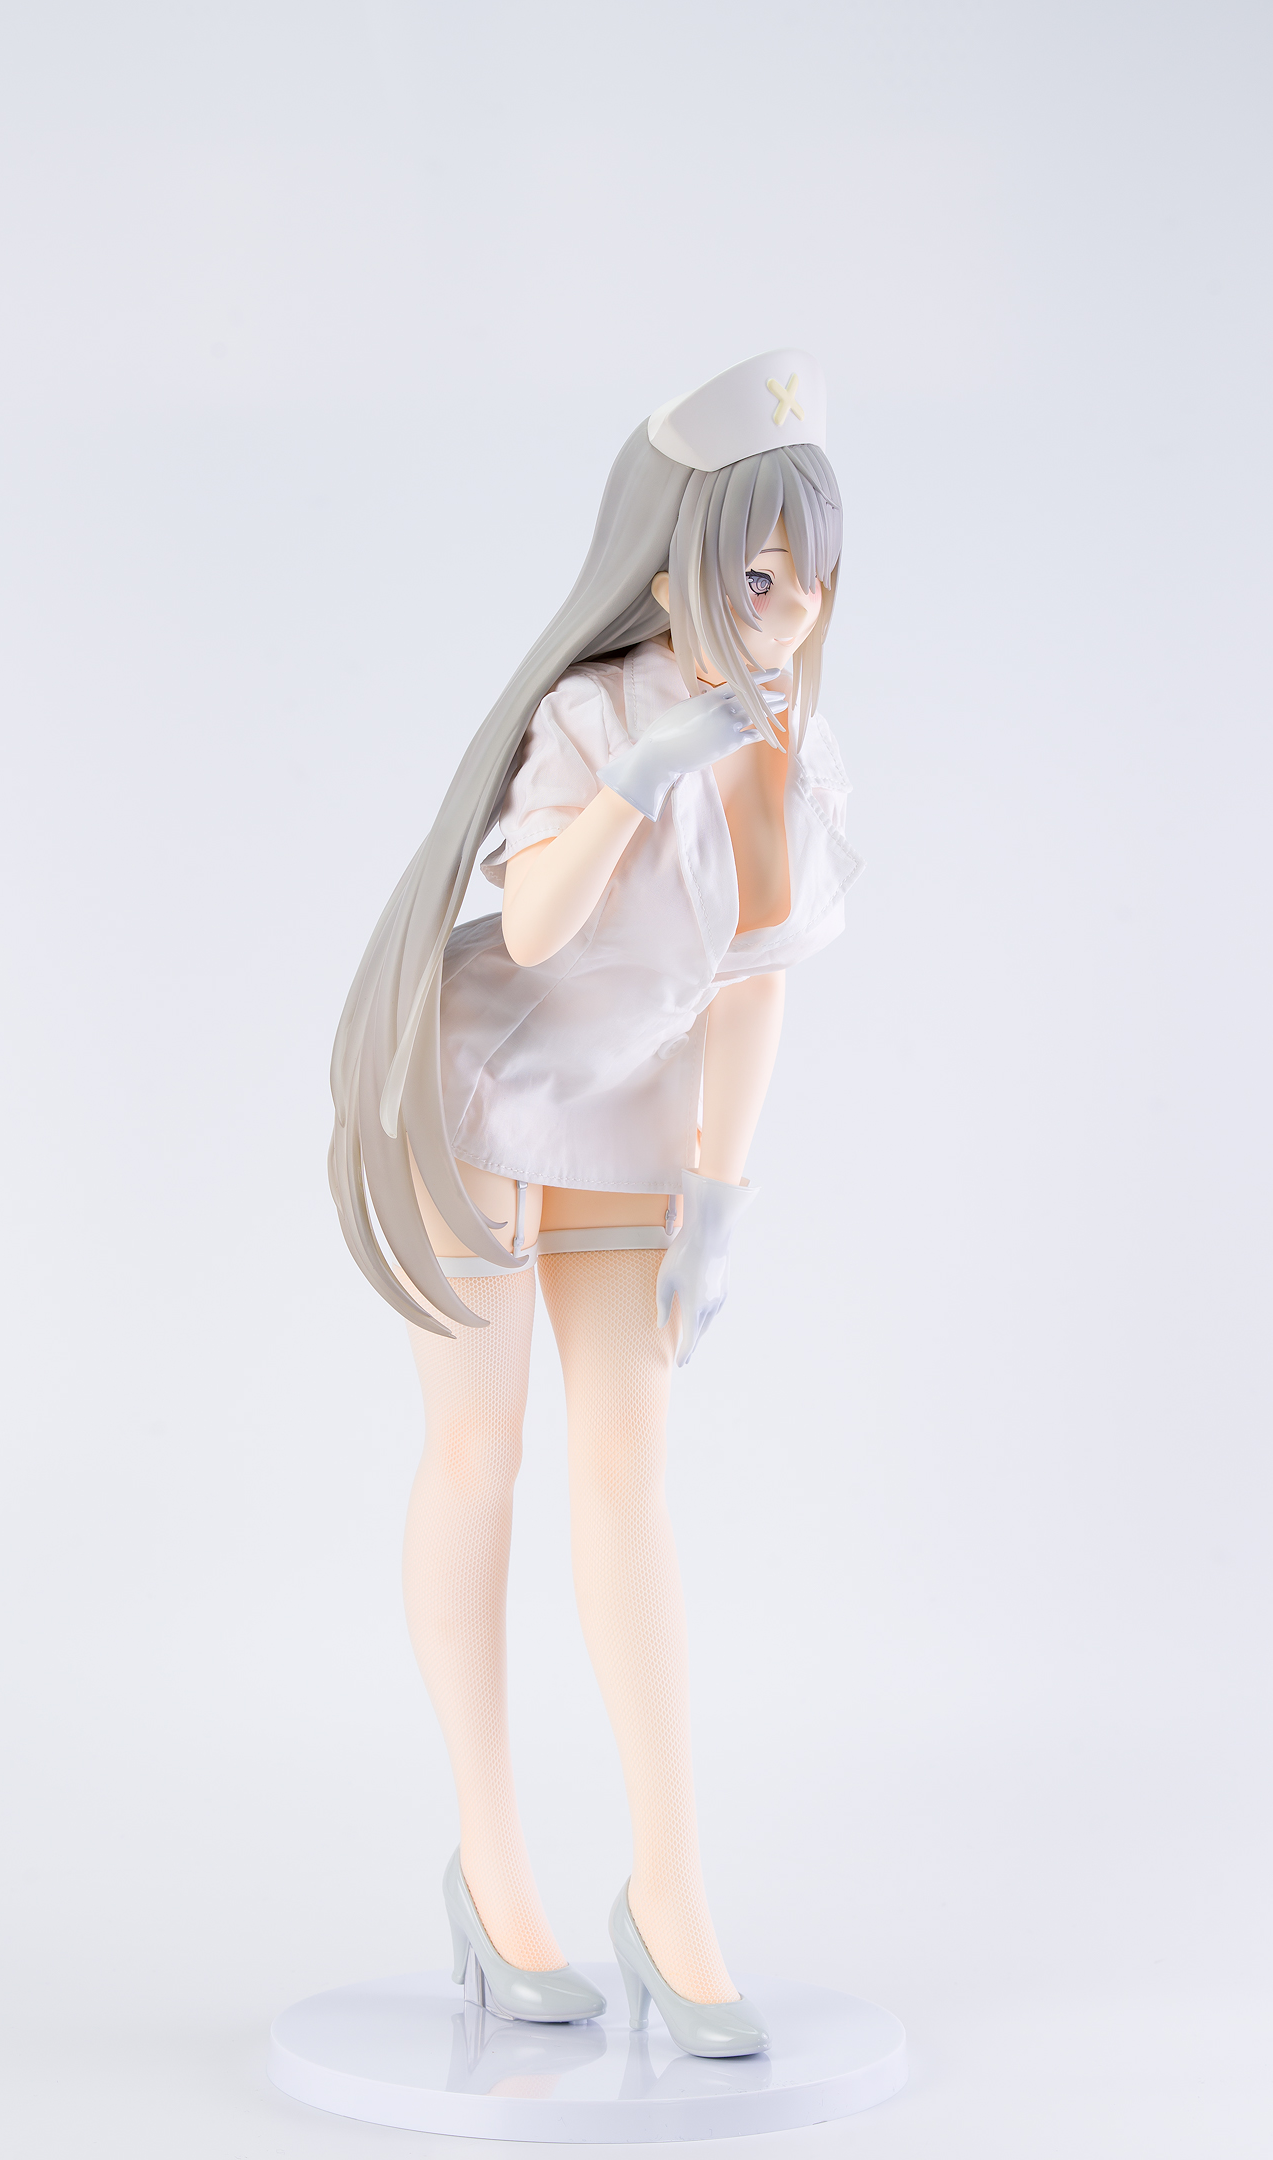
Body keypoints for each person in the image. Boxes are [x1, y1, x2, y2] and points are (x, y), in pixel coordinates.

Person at [329, 351, 857, 2058]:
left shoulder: (788, 753)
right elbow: (541, 931)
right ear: (673, 564)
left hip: (628, 1117)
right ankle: (496, 1873)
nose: (784, 616)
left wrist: (723, 1192)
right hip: (482, 1085)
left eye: (808, 583)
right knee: (477, 1455)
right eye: (755, 577)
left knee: (629, 1480)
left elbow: (755, 982)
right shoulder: (599, 712)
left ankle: (673, 1892)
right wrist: (639, 775)